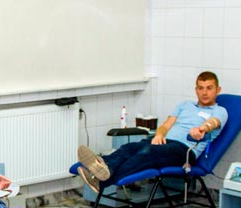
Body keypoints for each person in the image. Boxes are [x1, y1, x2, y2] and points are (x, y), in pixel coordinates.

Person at [77, 71, 228, 192]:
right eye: (201, 88)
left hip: (185, 151)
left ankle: (102, 181)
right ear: (196, 90)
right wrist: (159, 134)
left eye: (209, 88)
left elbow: (213, 123)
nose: (204, 92)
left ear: (218, 90)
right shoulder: (185, 105)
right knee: (130, 147)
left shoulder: (220, 110)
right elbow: (166, 125)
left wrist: (201, 129)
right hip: (165, 142)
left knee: (147, 153)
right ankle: (105, 166)